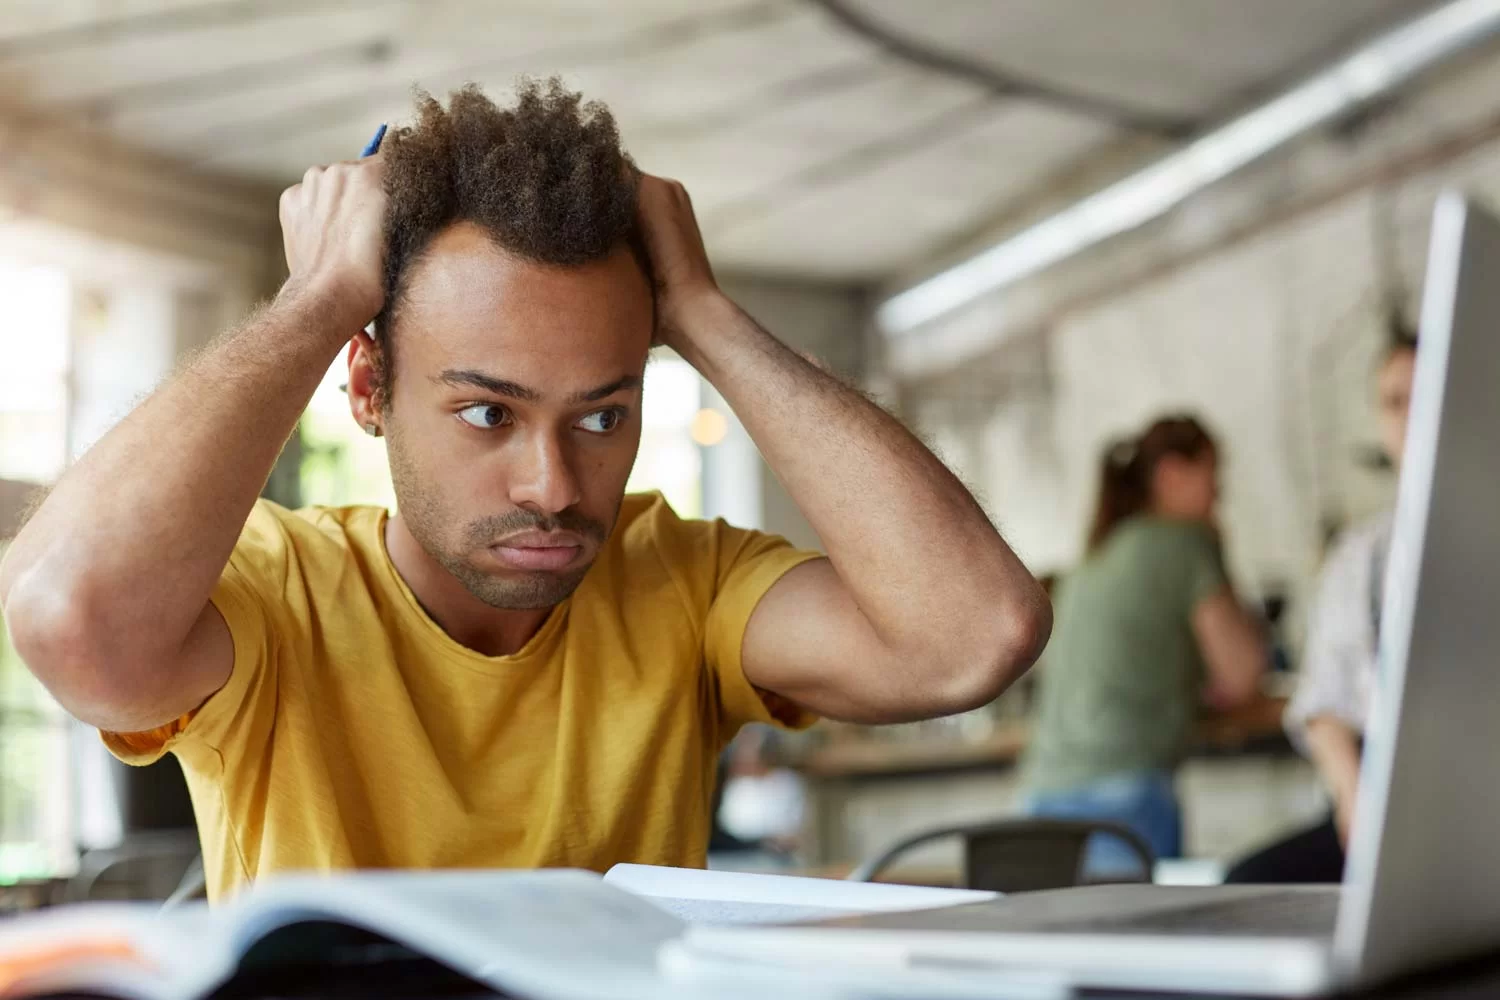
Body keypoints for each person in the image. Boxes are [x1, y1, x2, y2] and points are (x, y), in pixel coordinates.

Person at [0, 81, 1050, 901]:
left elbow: (975, 634)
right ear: (369, 386)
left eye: (603, 417)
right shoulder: (283, 591)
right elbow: (67, 616)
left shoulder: (685, 584)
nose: (554, 487)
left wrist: (704, 313)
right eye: (489, 413)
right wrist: (316, 300)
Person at [1020, 415, 1267, 869]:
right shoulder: (1186, 542)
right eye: (1213, 475)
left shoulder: (1097, 552)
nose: (1220, 493)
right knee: (1147, 936)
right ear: (1172, 473)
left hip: (1040, 793)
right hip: (1123, 798)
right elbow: (1243, 673)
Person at [1227, 335, 1417, 883]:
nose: (1409, 414)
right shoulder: (1360, 556)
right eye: (1392, 401)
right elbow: (1322, 702)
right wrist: (1356, 800)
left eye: (1423, 393)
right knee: (1247, 886)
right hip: (1380, 794)